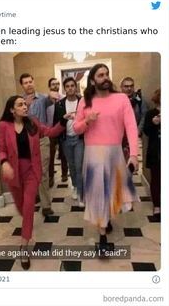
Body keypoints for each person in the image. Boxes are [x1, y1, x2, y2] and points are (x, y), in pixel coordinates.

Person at [73, 64, 139, 252]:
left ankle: (106, 218)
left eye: (106, 74)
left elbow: (131, 127)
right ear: (93, 80)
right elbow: (76, 128)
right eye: (100, 75)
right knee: (98, 195)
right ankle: (102, 237)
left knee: (113, 193)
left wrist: (133, 154)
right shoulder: (85, 102)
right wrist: (87, 121)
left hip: (115, 153)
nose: (105, 77)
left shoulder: (121, 99)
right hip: (93, 155)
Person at [0, 95, 66, 269]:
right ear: (12, 110)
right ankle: (27, 226)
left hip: (31, 172)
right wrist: (4, 162)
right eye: (20, 105)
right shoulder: (3, 126)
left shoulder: (33, 123)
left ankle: (24, 246)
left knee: (28, 207)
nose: (25, 107)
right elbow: (1, 148)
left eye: (25, 104)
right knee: (21, 207)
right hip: (13, 172)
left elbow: (50, 132)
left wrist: (63, 122)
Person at [20, 73, 59, 216]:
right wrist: (26, 106)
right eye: (25, 82)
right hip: (25, 142)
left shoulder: (42, 98)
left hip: (42, 140)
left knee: (42, 172)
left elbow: (51, 100)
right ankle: (36, 194)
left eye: (30, 81)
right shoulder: (19, 101)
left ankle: (46, 206)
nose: (29, 84)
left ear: (34, 82)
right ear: (22, 85)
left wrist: (52, 96)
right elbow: (15, 121)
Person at [54, 77, 84, 207]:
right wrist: (64, 118)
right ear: (64, 88)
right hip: (66, 140)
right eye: (68, 86)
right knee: (71, 165)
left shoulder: (82, 102)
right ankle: (76, 187)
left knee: (79, 165)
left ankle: (82, 192)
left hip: (79, 139)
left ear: (75, 87)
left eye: (72, 85)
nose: (70, 88)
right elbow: (57, 122)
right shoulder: (59, 104)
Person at [46, 78, 68, 187]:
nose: (55, 86)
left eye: (57, 84)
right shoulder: (46, 100)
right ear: (49, 86)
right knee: (50, 155)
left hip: (62, 129)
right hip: (50, 130)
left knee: (64, 153)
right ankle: (50, 177)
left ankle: (64, 174)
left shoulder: (64, 99)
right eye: (53, 84)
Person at [120, 77, 148, 161]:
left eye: (131, 86)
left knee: (132, 162)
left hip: (134, 135)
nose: (129, 88)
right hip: (120, 137)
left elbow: (144, 116)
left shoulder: (140, 100)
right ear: (121, 87)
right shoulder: (117, 99)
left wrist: (138, 131)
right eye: (126, 86)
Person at [143, 89, 161, 222]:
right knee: (156, 178)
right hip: (156, 150)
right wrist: (154, 123)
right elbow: (146, 131)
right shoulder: (151, 113)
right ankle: (157, 206)